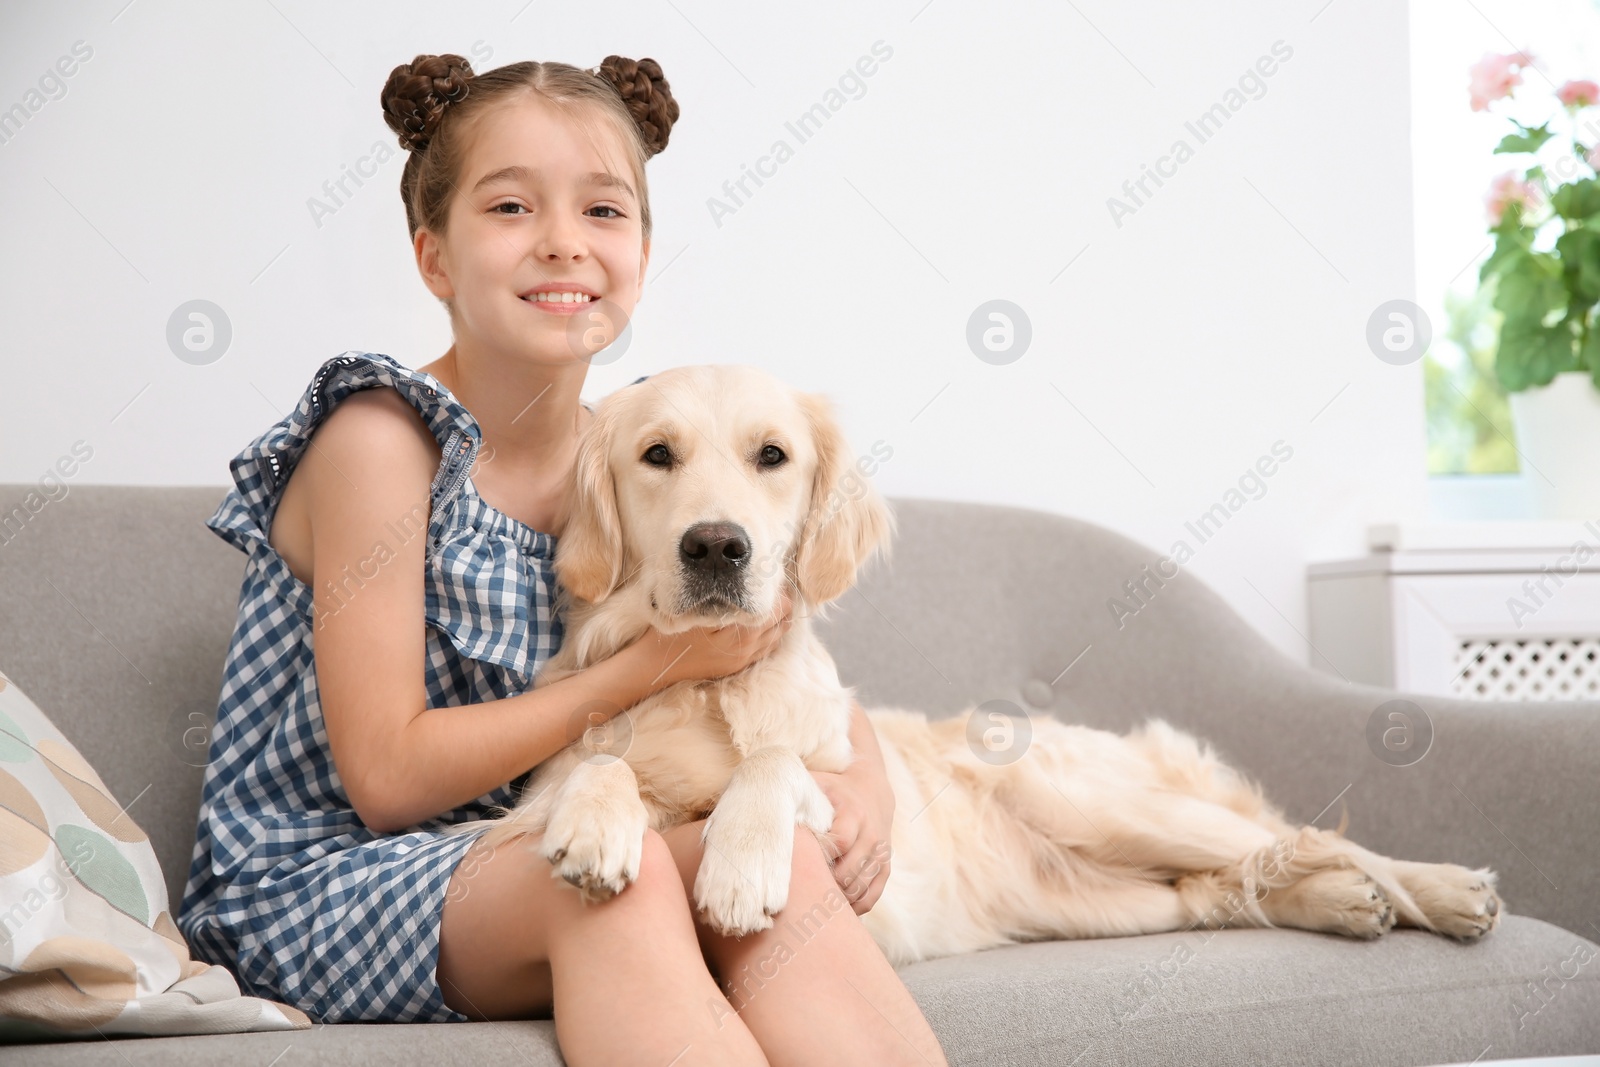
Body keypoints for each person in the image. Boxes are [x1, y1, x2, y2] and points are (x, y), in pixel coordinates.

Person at [175, 52, 947, 1066]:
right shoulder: (382, 441)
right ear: (434, 257)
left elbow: (778, 650)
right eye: (508, 208)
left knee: (775, 867)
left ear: (642, 248)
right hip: (323, 877)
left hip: (539, 835)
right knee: (610, 883)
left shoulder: (636, 456)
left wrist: (868, 799)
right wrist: (648, 668)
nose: (562, 244)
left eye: (603, 210)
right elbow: (389, 778)